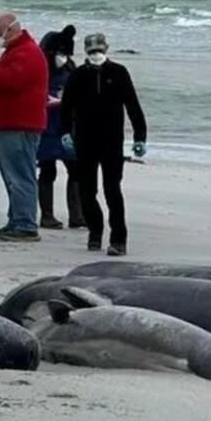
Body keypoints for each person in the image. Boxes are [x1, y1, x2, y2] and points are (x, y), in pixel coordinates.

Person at [60, 33, 147, 256]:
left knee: (112, 190)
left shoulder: (119, 72)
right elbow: (66, 108)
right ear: (85, 52)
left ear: (106, 49)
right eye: (91, 50)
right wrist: (64, 133)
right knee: (87, 191)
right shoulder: (78, 75)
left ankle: (118, 240)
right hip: (84, 141)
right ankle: (95, 232)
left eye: (98, 49)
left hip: (112, 142)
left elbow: (133, 105)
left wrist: (140, 137)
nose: (95, 53)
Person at [0, 12, 49, 242]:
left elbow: (7, 80)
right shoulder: (16, 52)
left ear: (10, 31)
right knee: (12, 175)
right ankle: (16, 220)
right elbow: (4, 74)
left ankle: (25, 225)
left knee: (20, 176)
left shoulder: (28, 53)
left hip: (21, 125)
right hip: (11, 125)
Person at [36, 25, 85, 230]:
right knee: (48, 171)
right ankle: (47, 215)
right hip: (46, 127)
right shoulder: (40, 69)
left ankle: (77, 215)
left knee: (76, 170)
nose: (63, 57)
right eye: (60, 53)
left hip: (67, 127)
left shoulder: (71, 68)